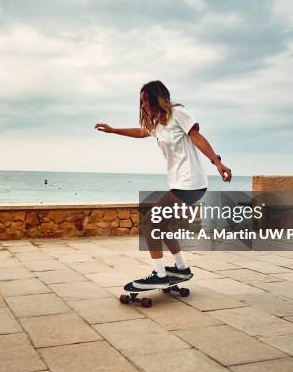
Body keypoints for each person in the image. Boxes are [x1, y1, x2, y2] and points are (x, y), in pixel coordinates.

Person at [95, 80, 232, 289]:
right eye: (141, 102)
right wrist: (113, 130)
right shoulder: (157, 124)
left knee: (150, 223)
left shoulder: (178, 113)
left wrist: (217, 161)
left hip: (190, 182)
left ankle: (160, 274)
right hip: (181, 183)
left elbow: (197, 137)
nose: (144, 105)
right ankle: (181, 267)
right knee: (163, 226)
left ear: (157, 97)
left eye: (146, 100)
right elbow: (141, 132)